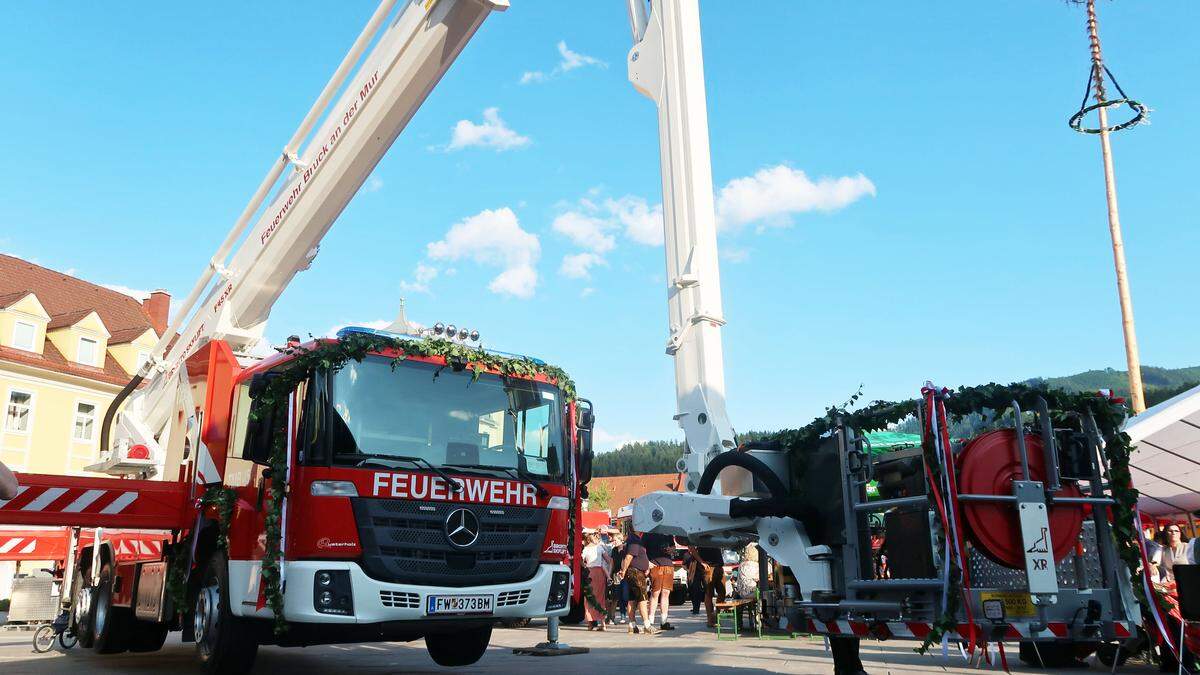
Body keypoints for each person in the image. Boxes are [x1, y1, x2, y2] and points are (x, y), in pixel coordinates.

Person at [615, 529, 655, 634]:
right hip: (635, 573)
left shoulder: (632, 539)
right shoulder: (634, 540)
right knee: (642, 598)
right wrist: (623, 571)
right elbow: (629, 557)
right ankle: (647, 626)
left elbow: (627, 557)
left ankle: (632, 625)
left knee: (632, 599)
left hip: (633, 572)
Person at [643, 532, 676, 630]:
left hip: (668, 564)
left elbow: (673, 547)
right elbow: (642, 550)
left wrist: (671, 549)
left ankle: (664, 621)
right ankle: (650, 621)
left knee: (666, 592)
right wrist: (647, 562)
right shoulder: (647, 533)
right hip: (655, 564)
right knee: (655, 592)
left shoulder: (667, 532)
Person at [582, 530, 612, 630]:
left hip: (589, 573)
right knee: (600, 597)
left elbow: (580, 561)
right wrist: (609, 573)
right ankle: (603, 623)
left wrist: (585, 566)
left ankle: (590, 623)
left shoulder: (585, 549)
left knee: (589, 598)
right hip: (600, 572)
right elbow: (609, 560)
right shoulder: (599, 547)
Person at [698, 546, 727, 627]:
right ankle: (710, 619)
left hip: (719, 565)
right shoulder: (699, 534)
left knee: (722, 592)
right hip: (708, 566)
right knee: (709, 593)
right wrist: (701, 561)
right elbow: (691, 547)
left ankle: (717, 615)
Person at [683, 545, 705, 614]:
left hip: (700, 573)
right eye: (689, 547)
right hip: (691, 575)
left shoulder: (700, 552)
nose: (690, 548)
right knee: (692, 591)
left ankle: (696, 608)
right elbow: (683, 565)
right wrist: (688, 570)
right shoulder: (686, 555)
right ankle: (694, 607)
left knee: (698, 591)